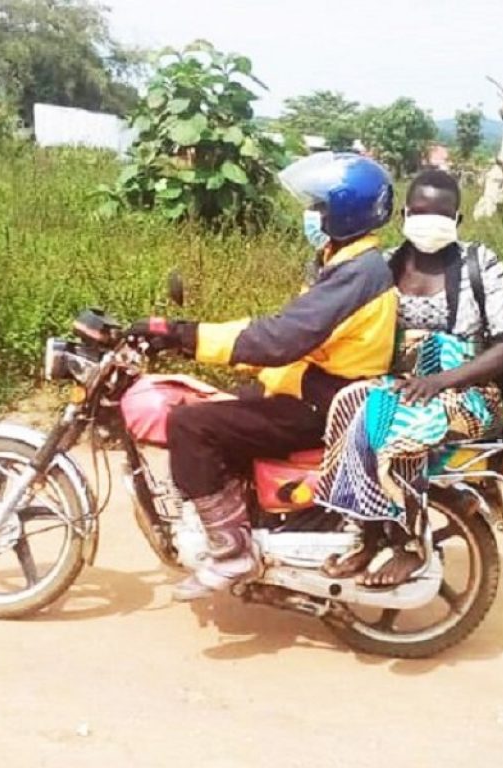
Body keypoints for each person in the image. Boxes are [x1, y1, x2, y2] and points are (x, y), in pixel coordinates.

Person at [137, 152, 398, 601]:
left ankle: (232, 550)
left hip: (325, 405)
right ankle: (245, 518)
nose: (310, 215)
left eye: (318, 207)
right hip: (315, 387)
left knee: (190, 424)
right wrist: (201, 342)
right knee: (222, 408)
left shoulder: (358, 273)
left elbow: (280, 338)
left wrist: (186, 336)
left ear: (343, 212)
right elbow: (286, 338)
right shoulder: (342, 260)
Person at [317, 168, 503, 587]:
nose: (430, 220)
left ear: (458, 220)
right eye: (420, 211)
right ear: (403, 215)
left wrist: (441, 381)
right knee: (347, 406)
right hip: (399, 386)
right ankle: (367, 531)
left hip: (467, 392)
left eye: (441, 213)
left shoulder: (478, 264)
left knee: (398, 425)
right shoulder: (384, 266)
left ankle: (411, 545)